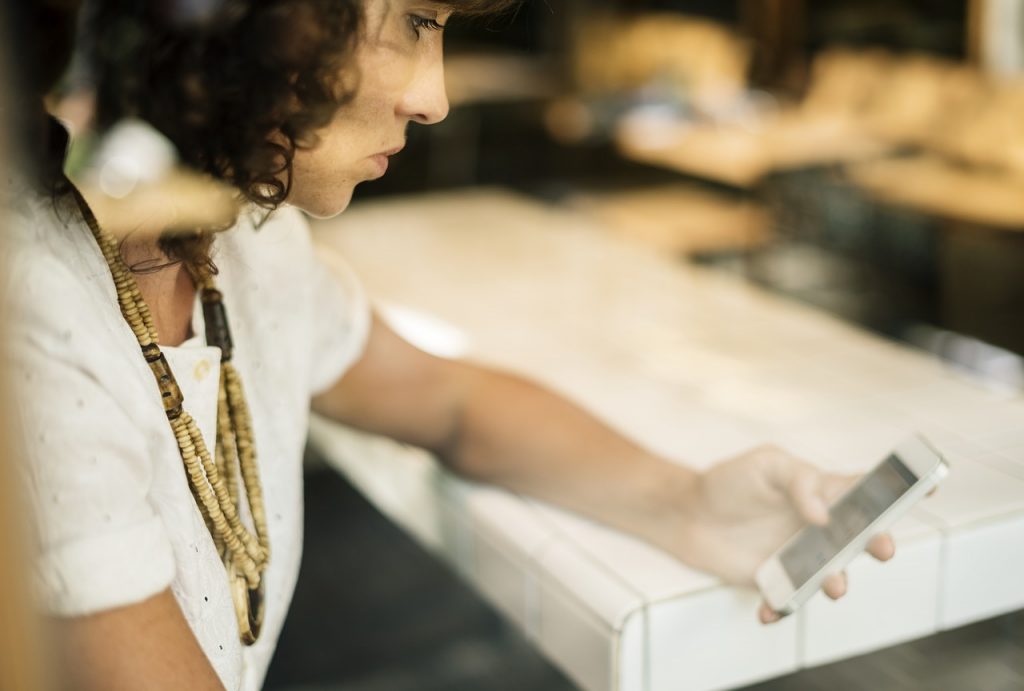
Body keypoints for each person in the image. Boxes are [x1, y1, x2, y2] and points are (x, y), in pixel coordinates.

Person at [6, 1, 894, 689]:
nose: (433, 97)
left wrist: (691, 503)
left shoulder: (248, 238)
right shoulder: (35, 324)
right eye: (415, 22)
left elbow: (449, 402)